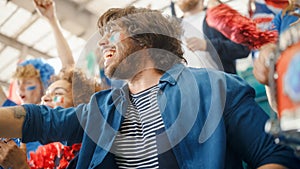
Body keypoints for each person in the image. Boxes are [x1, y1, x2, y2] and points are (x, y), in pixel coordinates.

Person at [0, 6, 299, 169]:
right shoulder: (99, 109)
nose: (102, 42)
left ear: (143, 38)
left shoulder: (216, 88)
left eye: (112, 33)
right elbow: (40, 120)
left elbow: (277, 155)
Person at [0, 67, 105, 169]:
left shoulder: (92, 153)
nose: (44, 98)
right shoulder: (43, 156)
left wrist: (20, 166)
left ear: (80, 105)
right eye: (46, 94)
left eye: (58, 93)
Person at [177, 0, 250, 74]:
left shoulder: (219, 17)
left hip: (222, 83)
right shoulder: (173, 28)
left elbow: (243, 48)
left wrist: (207, 45)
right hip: (191, 84)